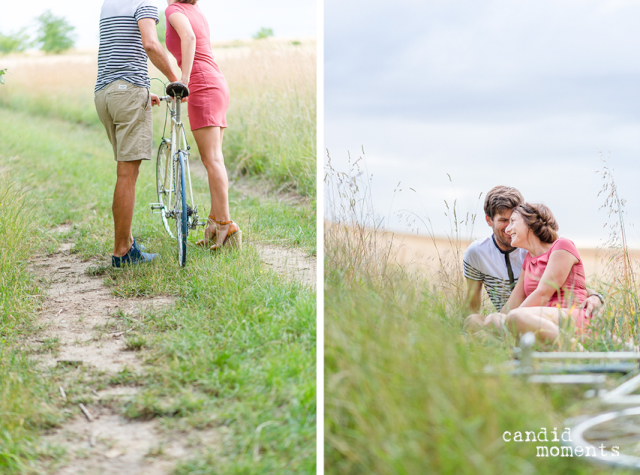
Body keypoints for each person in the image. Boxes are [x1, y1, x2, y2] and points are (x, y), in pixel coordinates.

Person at [95, 0, 180, 267]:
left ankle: (127, 243)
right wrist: (174, 79)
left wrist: (143, 91)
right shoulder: (143, 4)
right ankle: (122, 252)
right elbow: (151, 44)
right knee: (127, 174)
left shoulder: (110, 4)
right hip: (127, 93)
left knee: (124, 171)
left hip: (105, 94)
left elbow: (119, 52)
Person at [463, 186, 603, 328]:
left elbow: (572, 284)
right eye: (504, 220)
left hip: (550, 317)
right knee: (475, 321)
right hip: (526, 317)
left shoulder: (554, 247)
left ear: (526, 220)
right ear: (489, 220)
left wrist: (596, 296)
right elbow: (480, 303)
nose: (508, 229)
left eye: (512, 220)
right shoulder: (526, 257)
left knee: (498, 321)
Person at [164, 0, 242, 251]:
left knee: (212, 161)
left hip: (202, 85)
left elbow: (188, 37)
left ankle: (226, 225)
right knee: (214, 159)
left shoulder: (173, 10)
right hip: (216, 82)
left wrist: (183, 80)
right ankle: (213, 224)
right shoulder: (195, 11)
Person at [478, 203, 592, 343]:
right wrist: (491, 326)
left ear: (529, 221)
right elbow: (514, 301)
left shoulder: (562, 246)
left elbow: (543, 293)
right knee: (489, 320)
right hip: (538, 320)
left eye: (513, 221)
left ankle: (578, 352)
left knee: (514, 318)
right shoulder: (529, 259)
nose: (508, 229)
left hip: (570, 315)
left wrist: (509, 321)